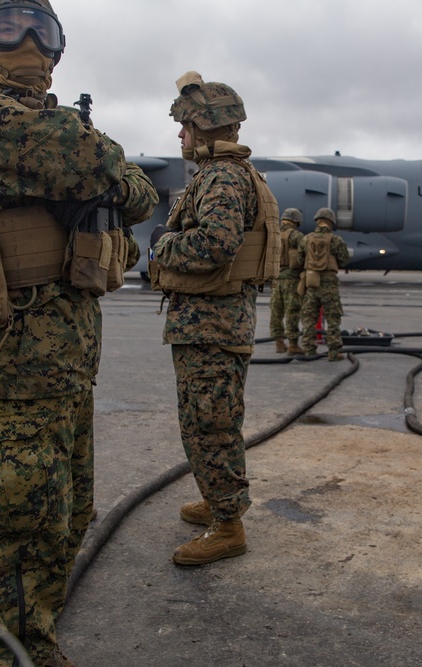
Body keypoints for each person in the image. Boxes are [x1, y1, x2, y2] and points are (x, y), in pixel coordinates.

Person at [0, 1, 158, 664]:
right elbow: (119, 177)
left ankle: (35, 637)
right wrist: (101, 171)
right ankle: (13, 652)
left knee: (68, 516)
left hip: (62, 360)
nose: (26, 43)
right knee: (25, 533)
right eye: (5, 27)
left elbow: (131, 190)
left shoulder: (42, 125)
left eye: (40, 29)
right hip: (14, 363)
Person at [150, 71, 279, 566]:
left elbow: (215, 244)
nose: (179, 136)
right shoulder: (222, 173)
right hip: (210, 323)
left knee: (211, 423)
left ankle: (228, 525)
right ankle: (216, 500)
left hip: (212, 324)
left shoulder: (222, 176)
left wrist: (164, 244)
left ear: (205, 128)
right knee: (208, 419)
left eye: (185, 127)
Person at [298, 208, 350, 361]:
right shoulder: (336, 240)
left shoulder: (306, 239)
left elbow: (300, 260)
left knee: (309, 317)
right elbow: (344, 260)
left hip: (311, 282)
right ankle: (333, 353)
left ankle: (308, 349)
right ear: (331, 222)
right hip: (329, 284)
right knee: (333, 317)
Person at [269, 208, 305, 356]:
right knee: (292, 311)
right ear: (296, 221)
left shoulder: (273, 234)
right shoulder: (296, 236)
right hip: (291, 279)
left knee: (276, 311)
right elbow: (304, 254)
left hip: (276, 279)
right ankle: (293, 344)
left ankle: (279, 342)